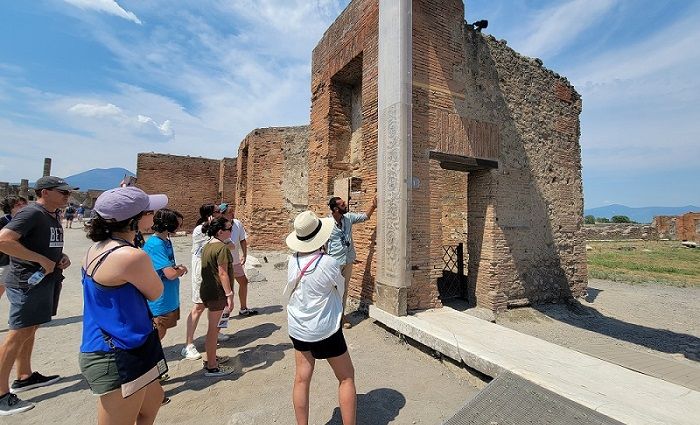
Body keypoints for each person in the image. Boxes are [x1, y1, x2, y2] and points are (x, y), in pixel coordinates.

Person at [79, 186, 168, 425]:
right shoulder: (130, 256)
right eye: (149, 211)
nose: (155, 215)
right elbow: (156, 293)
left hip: (133, 344)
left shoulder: (97, 248)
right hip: (115, 352)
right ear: (134, 220)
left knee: (153, 402)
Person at [0, 176, 77, 415]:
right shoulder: (31, 213)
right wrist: (41, 260)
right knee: (18, 333)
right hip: (26, 282)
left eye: (68, 192)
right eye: (62, 191)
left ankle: (24, 376)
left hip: (44, 281)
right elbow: (3, 240)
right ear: (44, 192)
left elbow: (42, 244)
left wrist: (59, 257)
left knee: (30, 328)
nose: (67, 195)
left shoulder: (51, 215)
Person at [285, 211, 356, 425]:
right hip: (326, 328)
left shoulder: (293, 260)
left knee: (302, 378)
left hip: (299, 327)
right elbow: (340, 288)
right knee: (346, 377)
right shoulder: (328, 263)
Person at [182, 203, 228, 361]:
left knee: (218, 304)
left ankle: (217, 332)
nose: (220, 213)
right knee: (199, 306)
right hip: (201, 272)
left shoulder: (214, 228)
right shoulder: (200, 230)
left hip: (213, 271)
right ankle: (188, 344)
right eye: (217, 211)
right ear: (209, 214)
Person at [326, 195, 376, 328]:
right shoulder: (326, 223)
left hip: (347, 260)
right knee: (331, 290)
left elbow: (365, 217)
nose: (345, 206)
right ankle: (329, 316)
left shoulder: (348, 218)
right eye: (342, 205)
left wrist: (373, 206)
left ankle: (341, 316)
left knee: (343, 290)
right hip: (333, 262)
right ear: (335, 209)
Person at [198, 216, 236, 377]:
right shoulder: (221, 249)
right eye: (229, 229)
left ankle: (212, 357)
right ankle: (212, 365)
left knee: (215, 327)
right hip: (218, 293)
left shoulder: (208, 245)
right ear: (221, 231)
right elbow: (222, 272)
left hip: (208, 291)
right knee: (214, 330)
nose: (231, 232)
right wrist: (229, 294)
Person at [143, 208, 187, 340]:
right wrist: (182, 270)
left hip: (167, 295)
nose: (179, 227)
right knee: (158, 330)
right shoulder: (156, 244)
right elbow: (170, 274)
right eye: (178, 224)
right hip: (159, 299)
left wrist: (175, 269)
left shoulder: (165, 241)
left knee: (162, 329)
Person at [218, 203, 257, 316]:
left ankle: (243, 308)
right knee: (227, 290)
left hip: (235, 262)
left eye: (232, 211)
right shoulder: (218, 226)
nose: (232, 214)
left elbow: (242, 240)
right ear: (222, 214)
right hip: (223, 263)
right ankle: (223, 315)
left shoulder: (237, 223)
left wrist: (244, 254)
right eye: (230, 212)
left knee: (243, 282)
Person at [0, 196, 29, 300]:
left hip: (22, 264)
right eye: (18, 205)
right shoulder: (3, 222)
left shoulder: (28, 221)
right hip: (5, 261)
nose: (22, 207)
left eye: (23, 204)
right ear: (10, 208)